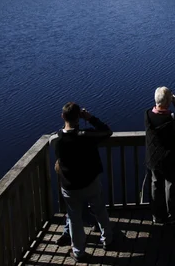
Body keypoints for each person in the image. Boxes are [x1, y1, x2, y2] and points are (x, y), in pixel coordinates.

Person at [50, 102, 114, 263]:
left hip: (70, 187)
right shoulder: (86, 136)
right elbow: (107, 132)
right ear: (79, 117)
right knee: (100, 210)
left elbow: (60, 139)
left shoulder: (55, 139)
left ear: (62, 116)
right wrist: (90, 118)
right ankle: (107, 240)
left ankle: (78, 252)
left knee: (74, 219)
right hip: (90, 182)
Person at [145, 86, 175, 224]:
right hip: (168, 158)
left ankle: (157, 216)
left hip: (152, 157)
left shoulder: (147, 114)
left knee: (155, 185)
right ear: (169, 101)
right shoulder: (172, 118)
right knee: (170, 186)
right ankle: (174, 213)